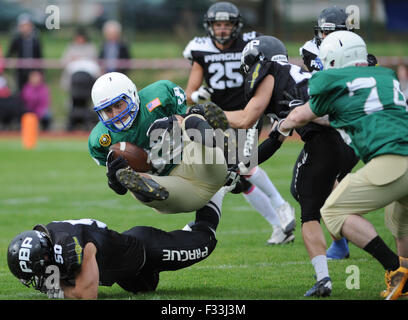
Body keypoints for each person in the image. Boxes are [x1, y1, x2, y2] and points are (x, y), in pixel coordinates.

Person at [202, 35, 359, 297]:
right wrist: (239, 167)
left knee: (311, 211)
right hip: (348, 137)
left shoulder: (272, 73)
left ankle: (332, 276)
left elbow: (246, 118)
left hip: (333, 137)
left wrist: (209, 112)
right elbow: (274, 141)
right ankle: (355, 256)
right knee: (320, 201)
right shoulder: (288, 86)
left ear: (257, 62)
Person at [276, 30, 408, 300]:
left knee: (333, 211)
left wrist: (284, 124)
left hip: (392, 159)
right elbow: (341, 113)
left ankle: (397, 271)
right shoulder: (385, 75)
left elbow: (304, 113)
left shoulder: (330, 78)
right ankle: (404, 273)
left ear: (333, 59)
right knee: (400, 224)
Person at [183, 1, 295, 244]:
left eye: (227, 24)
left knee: (242, 165)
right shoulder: (200, 49)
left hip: (247, 113)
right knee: (237, 180)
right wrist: (198, 96)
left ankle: (281, 206)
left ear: (236, 26)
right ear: (210, 26)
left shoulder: (251, 43)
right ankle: (280, 226)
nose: (222, 29)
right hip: (218, 118)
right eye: (218, 24)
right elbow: (189, 92)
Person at [88, 72, 235, 215]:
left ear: (132, 95)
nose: (115, 115)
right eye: (107, 110)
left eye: (119, 105)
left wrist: (174, 120)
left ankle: (225, 149)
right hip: (174, 187)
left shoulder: (159, 94)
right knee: (135, 184)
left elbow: (189, 114)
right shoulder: (100, 139)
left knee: (193, 119)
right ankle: (231, 154)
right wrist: (114, 180)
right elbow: (121, 190)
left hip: (196, 163)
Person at [299, 6, 379, 260]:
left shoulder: (361, 57)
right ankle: (343, 242)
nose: (323, 37)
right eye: (322, 31)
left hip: (350, 130)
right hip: (333, 127)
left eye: (329, 32)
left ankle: (362, 242)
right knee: (323, 189)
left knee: (324, 191)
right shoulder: (312, 49)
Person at [7, 207, 222, 299]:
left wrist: (57, 289)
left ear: (46, 257)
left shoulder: (71, 246)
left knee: (206, 239)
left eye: (38, 273)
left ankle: (221, 185)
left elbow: (87, 295)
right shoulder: (52, 242)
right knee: (146, 289)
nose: (40, 279)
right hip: (127, 274)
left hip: (146, 249)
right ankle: (184, 236)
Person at [7, 13, 43, 91]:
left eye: (27, 25)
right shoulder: (16, 40)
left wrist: (39, 72)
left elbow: (39, 56)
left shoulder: (35, 40)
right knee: (20, 90)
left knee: (33, 91)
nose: (25, 28)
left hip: (33, 70)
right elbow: (10, 53)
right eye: (23, 26)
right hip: (20, 71)